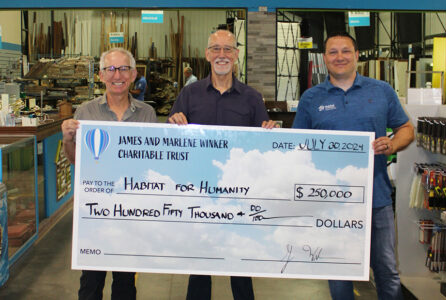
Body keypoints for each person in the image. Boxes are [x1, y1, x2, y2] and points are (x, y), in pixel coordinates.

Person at [292, 31, 414, 300]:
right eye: (333, 52)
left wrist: (392, 145)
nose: (340, 57)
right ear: (324, 58)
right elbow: (297, 145)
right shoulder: (311, 98)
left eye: (346, 51)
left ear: (357, 55)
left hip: (376, 199)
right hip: (330, 202)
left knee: (386, 271)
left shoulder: (381, 91)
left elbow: (406, 128)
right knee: (339, 272)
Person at [168, 30, 277, 300]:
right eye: (216, 49)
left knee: (240, 264)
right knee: (200, 265)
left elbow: (261, 145)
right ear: (207, 55)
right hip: (199, 193)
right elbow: (171, 141)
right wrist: (174, 124)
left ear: (236, 55)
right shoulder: (189, 94)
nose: (222, 55)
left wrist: (269, 132)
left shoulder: (252, 98)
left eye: (228, 49)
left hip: (238, 194)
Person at [61, 48, 157, 300]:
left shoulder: (147, 114)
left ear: (134, 74)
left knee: (126, 283)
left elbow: (152, 164)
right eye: (110, 69)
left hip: (131, 211)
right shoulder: (85, 113)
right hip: (95, 211)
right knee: (90, 283)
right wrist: (68, 139)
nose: (118, 75)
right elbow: (74, 160)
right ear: (101, 75)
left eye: (124, 69)